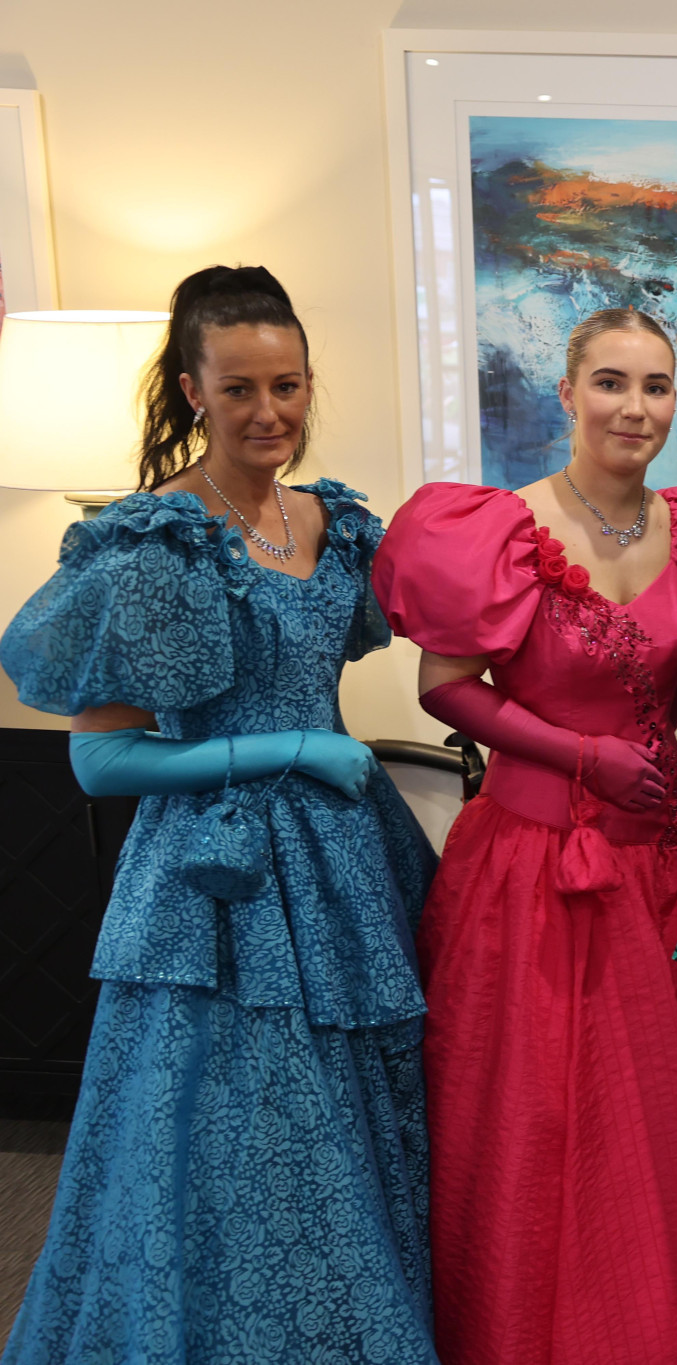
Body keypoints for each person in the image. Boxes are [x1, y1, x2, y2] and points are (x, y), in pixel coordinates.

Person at [0, 266, 437, 1364]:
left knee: (344, 1126)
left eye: (286, 385)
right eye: (238, 388)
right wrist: (287, 746)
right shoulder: (155, 545)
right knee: (232, 1136)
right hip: (212, 885)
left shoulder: (332, 524)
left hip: (339, 863)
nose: (268, 412)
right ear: (192, 388)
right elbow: (100, 762)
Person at [373, 308, 677, 1365]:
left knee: (640, 1125)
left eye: (655, 386)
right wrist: (582, 757)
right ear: (566, 394)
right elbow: (443, 689)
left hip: (654, 859)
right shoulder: (499, 526)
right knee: (530, 1122)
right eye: (610, 383)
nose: (635, 407)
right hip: (527, 866)